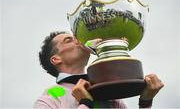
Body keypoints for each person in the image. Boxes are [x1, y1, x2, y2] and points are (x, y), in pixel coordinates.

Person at [34, 31, 164, 108]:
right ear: (56, 59)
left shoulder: (109, 93)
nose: (79, 41)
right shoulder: (48, 99)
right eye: (69, 40)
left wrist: (145, 102)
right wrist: (85, 103)